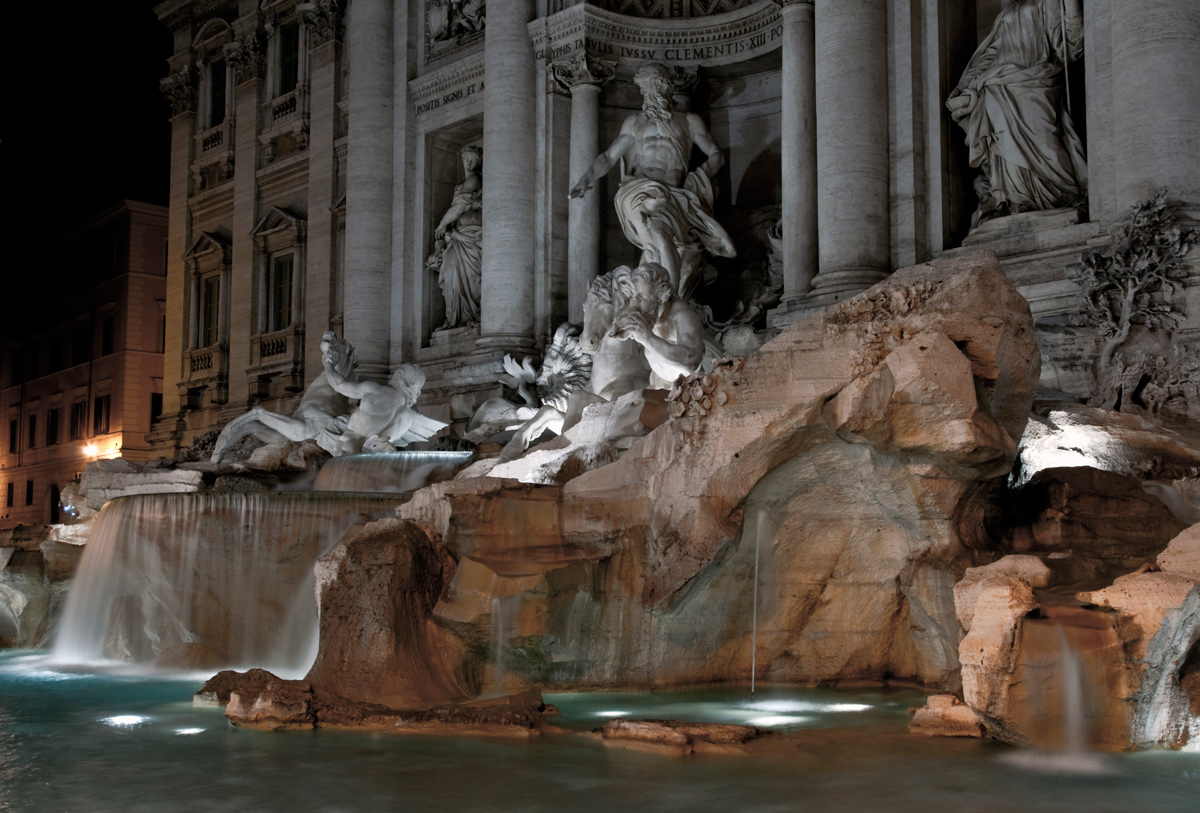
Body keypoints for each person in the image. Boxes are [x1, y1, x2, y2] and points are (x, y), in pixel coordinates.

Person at [569, 63, 735, 299]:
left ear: (668, 87)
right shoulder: (633, 122)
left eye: (658, 86)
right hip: (639, 189)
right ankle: (670, 297)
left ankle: (664, 297)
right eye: (648, 88)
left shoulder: (688, 121)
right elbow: (608, 157)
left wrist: (700, 175)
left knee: (655, 240)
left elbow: (716, 154)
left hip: (673, 193)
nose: (653, 93)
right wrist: (584, 180)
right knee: (655, 233)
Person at [947, 0, 1087, 225]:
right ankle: (1015, 198)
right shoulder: (1009, 9)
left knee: (1047, 142)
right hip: (997, 86)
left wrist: (1071, 6)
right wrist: (963, 86)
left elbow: (1070, 46)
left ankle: (1057, 195)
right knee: (1005, 145)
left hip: (1037, 80)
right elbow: (989, 53)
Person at [318, 349, 446, 456]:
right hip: (368, 455)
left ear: (399, 375)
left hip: (346, 447)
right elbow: (384, 442)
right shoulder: (407, 416)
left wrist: (327, 365)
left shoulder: (375, 390)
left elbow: (339, 385)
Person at [609, 262, 705, 389]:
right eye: (634, 295)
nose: (635, 301)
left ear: (661, 296)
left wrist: (647, 338)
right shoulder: (648, 315)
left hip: (690, 389)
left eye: (642, 295)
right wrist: (620, 327)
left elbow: (691, 360)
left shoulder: (682, 316)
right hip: (657, 383)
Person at [427, 145, 483, 328]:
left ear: (478, 162)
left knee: (471, 278)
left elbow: (459, 207)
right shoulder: (462, 183)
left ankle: (470, 315)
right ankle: (455, 319)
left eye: (471, 159)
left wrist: (442, 225)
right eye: (465, 159)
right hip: (458, 236)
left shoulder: (474, 180)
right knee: (450, 271)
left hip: (471, 235)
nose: (467, 163)